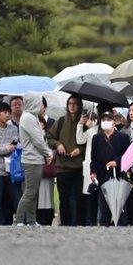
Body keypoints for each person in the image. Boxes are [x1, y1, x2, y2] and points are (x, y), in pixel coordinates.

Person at [15, 94, 53, 226]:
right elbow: (38, 140)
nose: (41, 106)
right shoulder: (28, 118)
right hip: (32, 160)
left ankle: (31, 220)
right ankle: (18, 220)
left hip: (35, 159)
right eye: (39, 103)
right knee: (30, 192)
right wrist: (48, 153)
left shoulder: (31, 117)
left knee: (33, 192)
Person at [48, 95, 85, 226]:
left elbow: (91, 142)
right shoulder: (61, 121)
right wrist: (58, 144)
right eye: (70, 103)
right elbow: (50, 137)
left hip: (79, 167)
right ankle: (65, 224)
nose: (72, 106)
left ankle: (78, 224)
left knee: (79, 198)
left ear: (79, 105)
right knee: (64, 198)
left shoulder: (84, 122)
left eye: (75, 103)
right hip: (62, 166)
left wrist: (80, 150)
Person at [91, 111, 131, 226]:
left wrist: (117, 162)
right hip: (103, 176)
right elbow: (93, 157)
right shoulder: (97, 138)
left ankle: (122, 230)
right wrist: (93, 172)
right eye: (103, 120)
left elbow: (127, 155)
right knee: (104, 208)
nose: (106, 122)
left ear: (114, 122)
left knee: (120, 207)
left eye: (108, 120)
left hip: (118, 176)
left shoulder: (123, 137)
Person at [77, 108, 99, 225]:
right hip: (88, 165)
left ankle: (98, 220)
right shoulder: (90, 131)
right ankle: (89, 221)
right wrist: (80, 124)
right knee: (88, 194)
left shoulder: (98, 130)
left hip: (98, 165)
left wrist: (91, 127)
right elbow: (80, 139)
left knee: (97, 194)